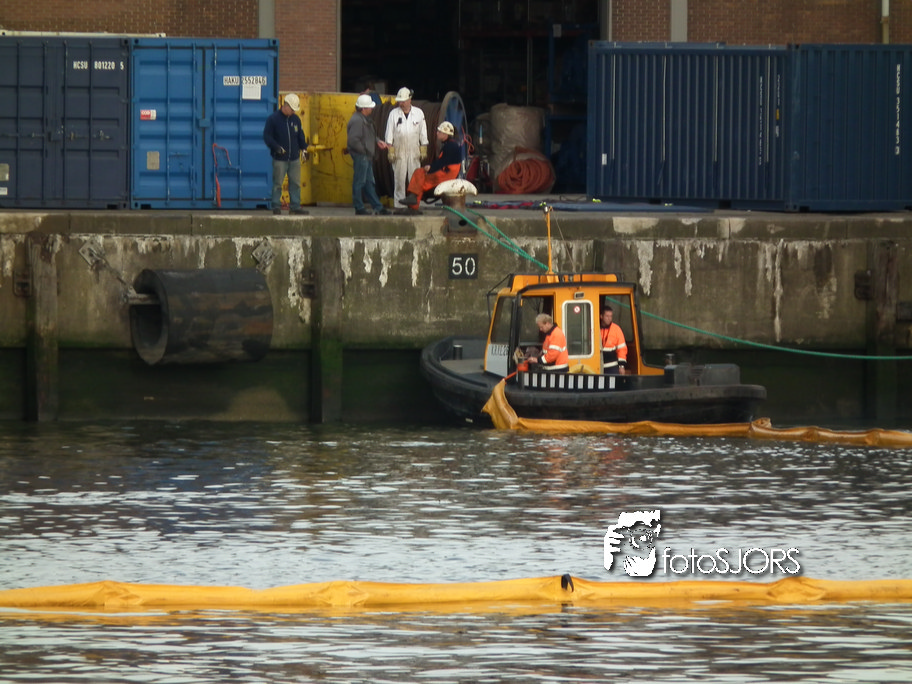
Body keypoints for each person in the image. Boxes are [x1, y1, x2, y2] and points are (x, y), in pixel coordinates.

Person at [398, 121, 461, 212]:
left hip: (446, 175)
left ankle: (413, 203)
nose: (437, 133)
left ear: (445, 134)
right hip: (446, 172)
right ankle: (412, 201)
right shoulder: (450, 144)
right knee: (419, 175)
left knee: (420, 178)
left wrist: (430, 168)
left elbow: (443, 162)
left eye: (439, 132)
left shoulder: (451, 146)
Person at [263, 93, 308, 215]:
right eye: (292, 109)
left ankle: (295, 206)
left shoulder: (296, 120)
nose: (293, 112)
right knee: (278, 183)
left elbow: (300, 135)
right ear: (285, 106)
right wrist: (276, 147)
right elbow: (267, 136)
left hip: (294, 158)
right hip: (280, 158)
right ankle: (276, 206)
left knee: (295, 183)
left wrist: (304, 148)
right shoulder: (273, 119)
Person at [346, 93, 391, 216]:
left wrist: (377, 141)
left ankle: (378, 207)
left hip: (365, 156)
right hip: (362, 156)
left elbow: (366, 135)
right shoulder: (357, 121)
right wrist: (364, 151)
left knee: (368, 183)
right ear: (363, 108)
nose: (372, 109)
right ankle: (359, 207)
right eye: (370, 107)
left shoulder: (363, 119)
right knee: (360, 182)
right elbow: (353, 140)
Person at [384, 87, 428, 206]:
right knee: (399, 180)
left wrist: (423, 147)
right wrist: (390, 150)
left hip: (414, 152)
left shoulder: (418, 113)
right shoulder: (393, 114)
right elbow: (389, 133)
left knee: (415, 179)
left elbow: (423, 132)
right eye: (400, 101)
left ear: (409, 100)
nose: (401, 104)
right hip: (399, 152)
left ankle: (414, 205)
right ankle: (399, 206)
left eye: (403, 101)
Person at [600, 305, 628, 374]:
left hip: (612, 367)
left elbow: (622, 349)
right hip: (598, 366)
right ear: (601, 316)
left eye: (611, 316)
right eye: (607, 316)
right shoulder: (594, 328)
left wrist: (621, 366)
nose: (609, 318)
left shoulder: (616, 329)